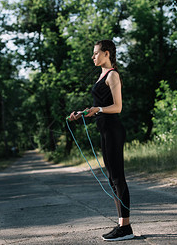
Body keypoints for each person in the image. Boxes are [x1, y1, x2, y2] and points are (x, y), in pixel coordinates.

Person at [69, 40, 134, 241]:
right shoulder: (102, 75)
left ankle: (125, 227)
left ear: (107, 54)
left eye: (96, 53)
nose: (93, 57)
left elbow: (117, 107)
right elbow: (100, 104)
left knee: (117, 178)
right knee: (111, 179)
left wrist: (99, 110)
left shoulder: (113, 75)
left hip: (114, 130)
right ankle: (122, 224)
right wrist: (82, 113)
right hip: (105, 131)